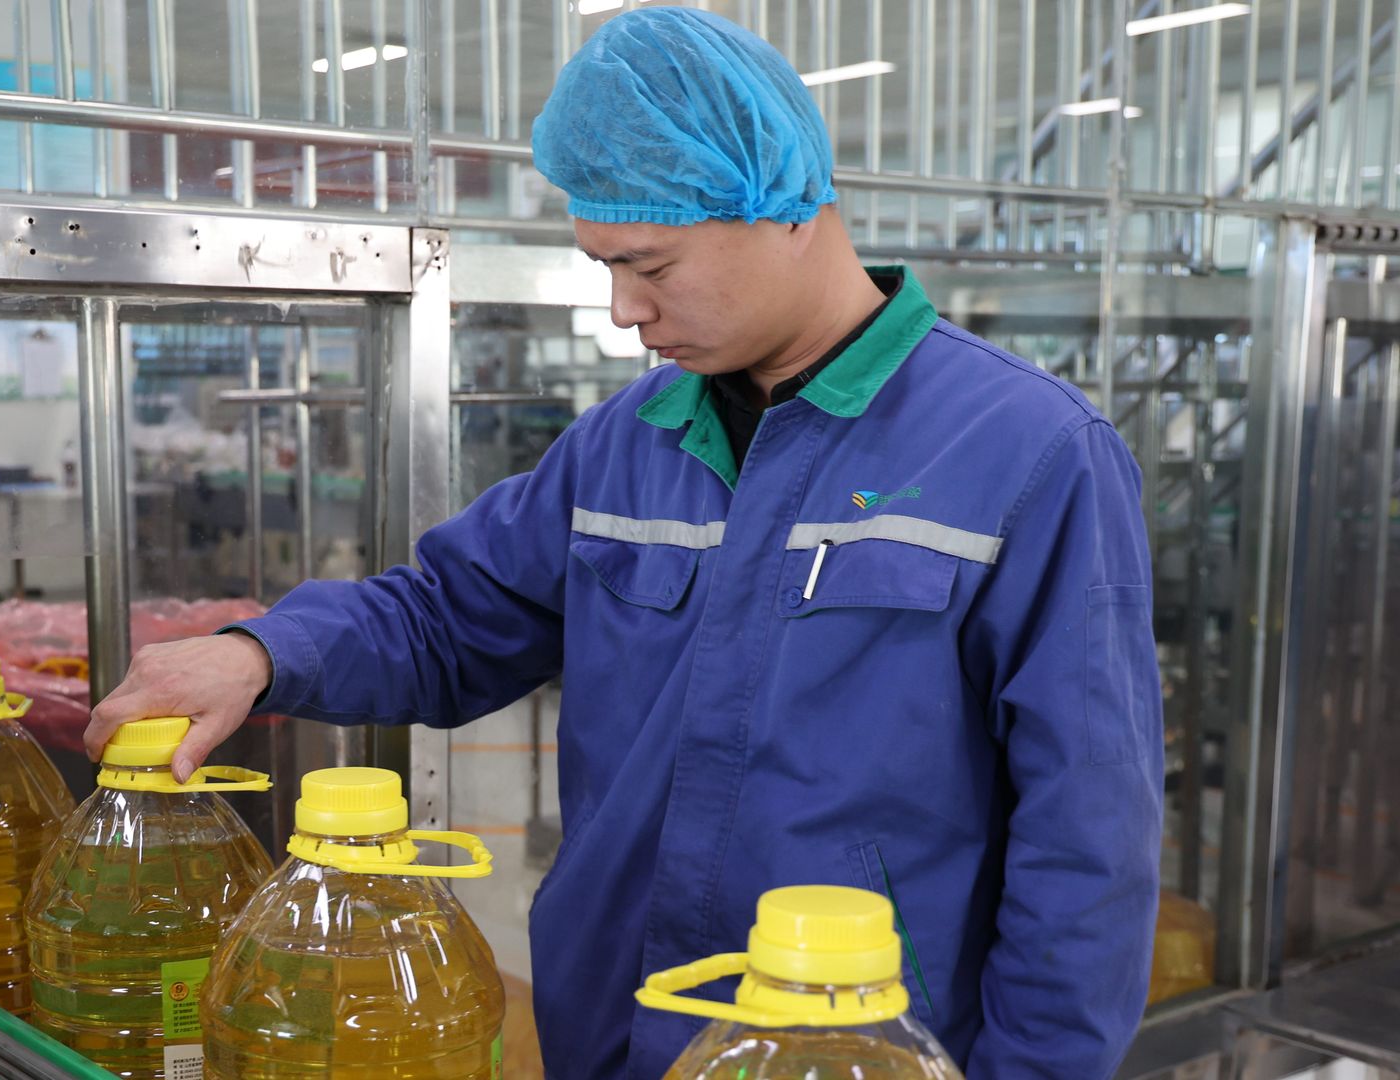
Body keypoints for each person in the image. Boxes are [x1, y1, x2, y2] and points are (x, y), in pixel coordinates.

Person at [83, 9, 1162, 1079]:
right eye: (602, 263)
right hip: (614, 1034)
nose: (621, 311)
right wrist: (262, 653)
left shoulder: (1027, 453)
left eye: (649, 263)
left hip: (853, 1052)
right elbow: (449, 616)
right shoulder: (626, 444)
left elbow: (1088, 844)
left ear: (783, 207)